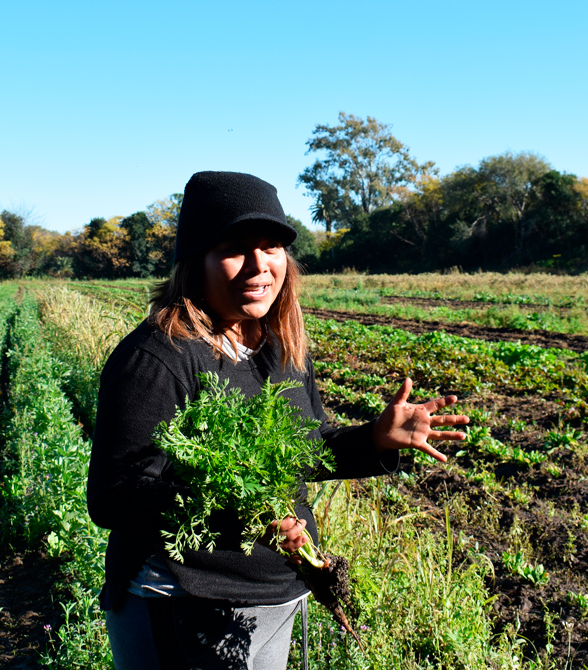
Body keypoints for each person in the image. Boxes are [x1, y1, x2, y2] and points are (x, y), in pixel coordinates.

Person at [87, 171, 469, 670]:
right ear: (195, 259)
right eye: (234, 248)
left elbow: (305, 448)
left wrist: (374, 440)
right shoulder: (158, 358)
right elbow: (114, 495)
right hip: (182, 604)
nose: (258, 265)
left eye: (271, 247)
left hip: (275, 594)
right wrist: (247, 515)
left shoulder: (277, 347)